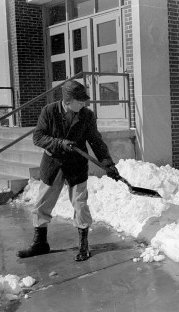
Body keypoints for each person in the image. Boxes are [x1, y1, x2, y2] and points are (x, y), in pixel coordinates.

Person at [17, 80, 121, 261]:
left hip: (76, 165)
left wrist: (108, 164)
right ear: (67, 101)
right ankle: (40, 244)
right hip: (53, 164)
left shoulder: (87, 115)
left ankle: (83, 245)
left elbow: (95, 141)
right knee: (42, 205)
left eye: (84, 101)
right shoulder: (49, 111)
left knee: (80, 205)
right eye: (80, 101)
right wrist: (59, 143)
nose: (84, 104)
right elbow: (38, 137)